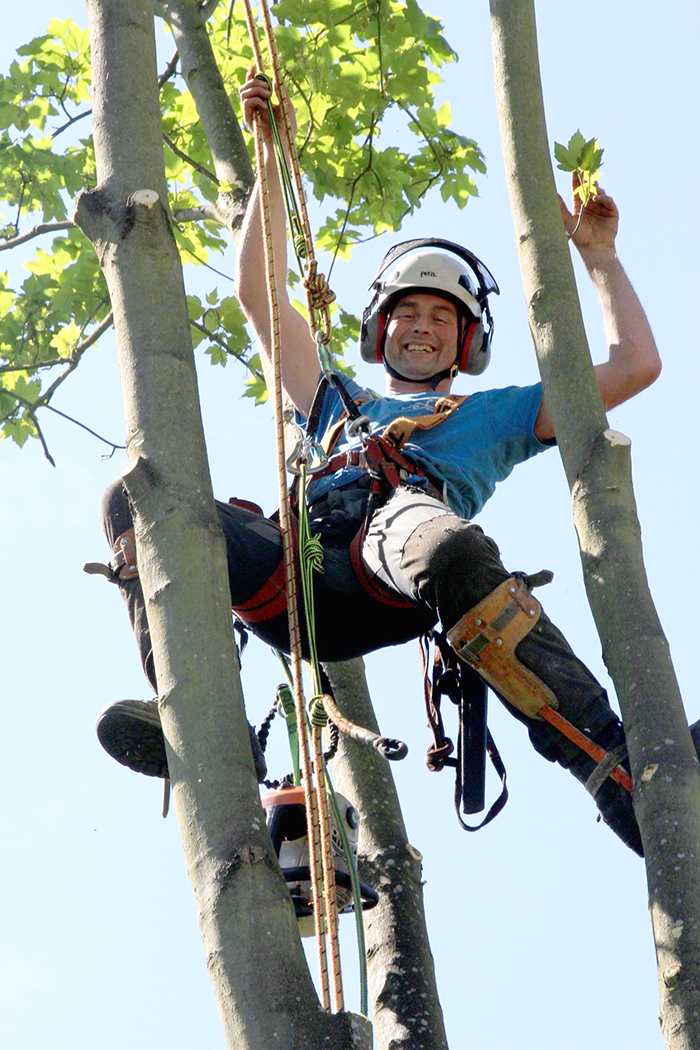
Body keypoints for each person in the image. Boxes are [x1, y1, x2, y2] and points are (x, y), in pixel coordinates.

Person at [95, 72, 662, 855]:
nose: (422, 328)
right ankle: (189, 713)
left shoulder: (492, 416)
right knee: (139, 497)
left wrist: (599, 259)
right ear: (380, 330)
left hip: (396, 565)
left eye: (441, 318)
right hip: (302, 571)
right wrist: (270, 161)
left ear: (465, 344)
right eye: (408, 314)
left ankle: (612, 760)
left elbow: (634, 366)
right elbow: (260, 297)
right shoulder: (333, 400)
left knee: (445, 540)